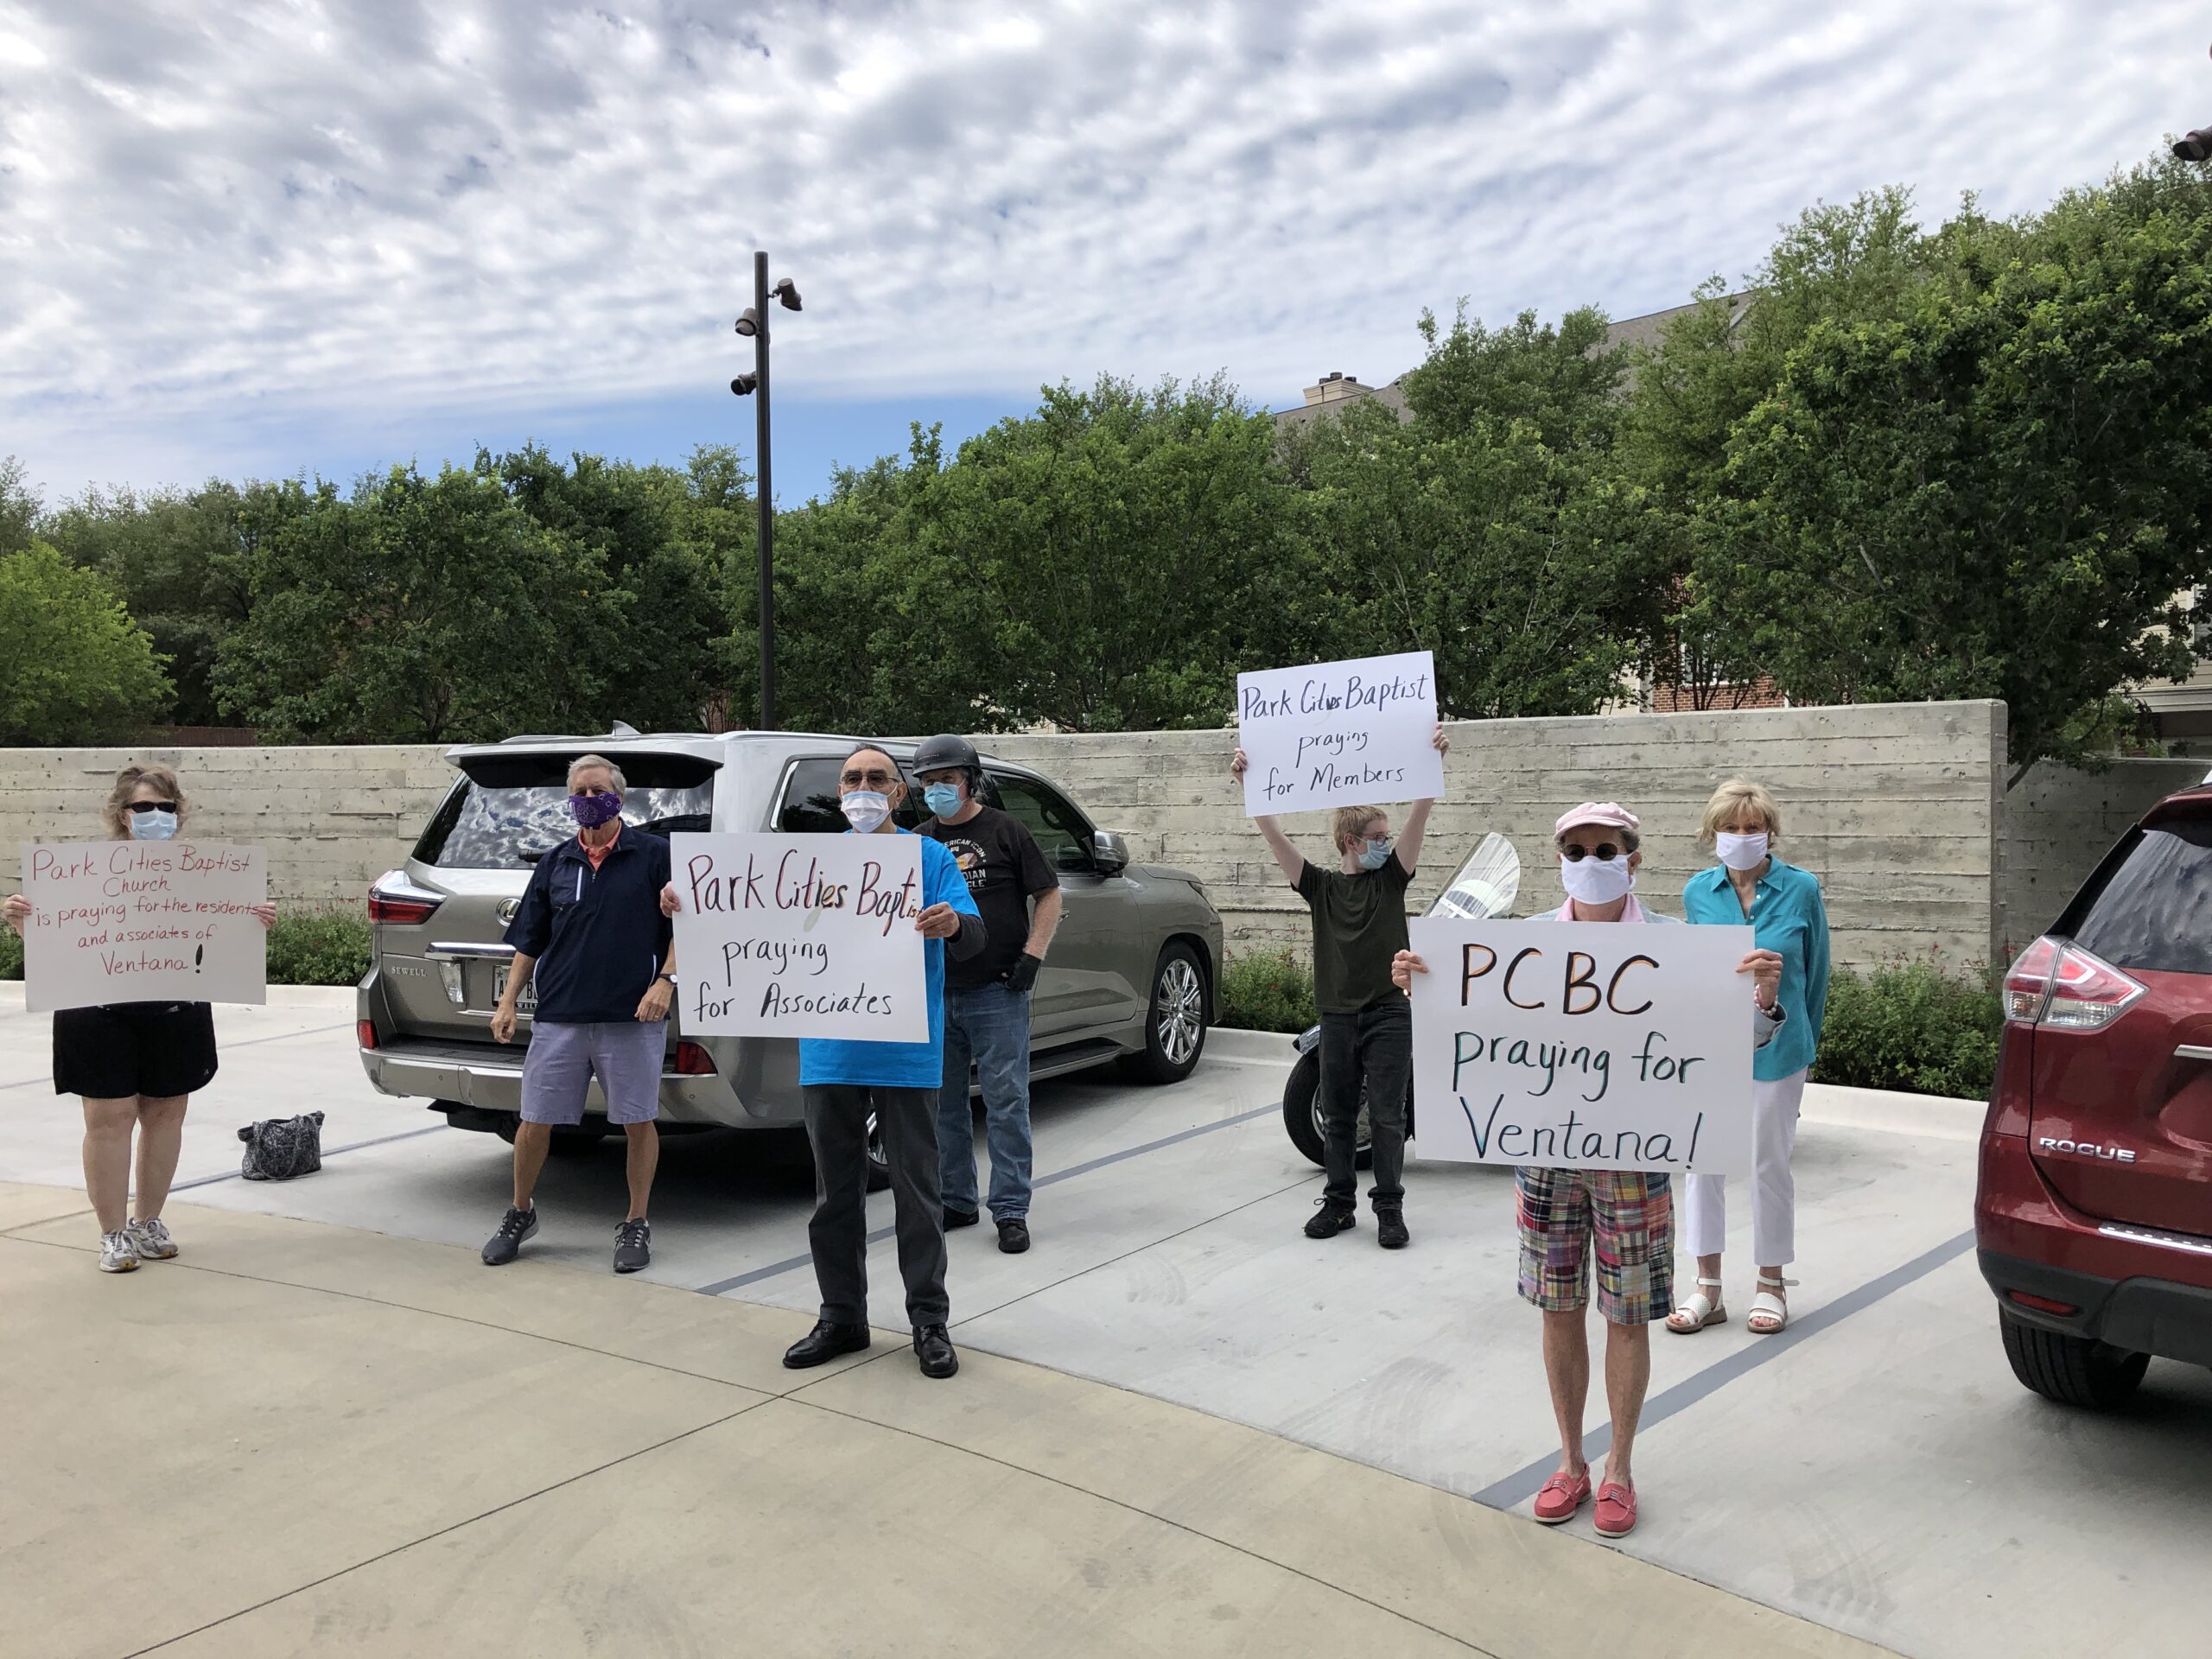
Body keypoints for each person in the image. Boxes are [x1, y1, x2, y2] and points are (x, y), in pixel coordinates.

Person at [1391, 802, 1783, 1539]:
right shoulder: (1523, 945)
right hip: (1546, 1155)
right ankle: (1571, 1460)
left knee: (1629, 1313)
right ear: (1560, 859)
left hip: (1635, 1160)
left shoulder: (1680, 946)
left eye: (1604, 847)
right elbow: (1474, 1029)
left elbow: (1739, 1044)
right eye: (1575, 848)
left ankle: (1620, 1469)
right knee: (1557, 1305)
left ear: (1632, 860)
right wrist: (1424, 988)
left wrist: (1762, 999)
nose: (1590, 858)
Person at [669, 745, 985, 1379]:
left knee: (918, 1195)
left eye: (876, 779)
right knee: (833, 1195)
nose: (862, 787)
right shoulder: (805, 862)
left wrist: (952, 924)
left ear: (900, 794)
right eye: (851, 779)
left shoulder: (928, 857)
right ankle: (842, 1317)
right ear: (840, 792)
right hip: (830, 1051)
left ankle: (929, 1321)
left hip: (905, 1053)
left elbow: (975, 939)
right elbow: (743, 912)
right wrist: (691, 903)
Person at [3, 764, 276, 1274]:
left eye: (165, 808)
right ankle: (112, 1233)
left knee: (166, 1115)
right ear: (122, 815)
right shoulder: (79, 873)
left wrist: (252, 924)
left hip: (175, 1007)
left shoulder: (207, 876)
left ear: (179, 813)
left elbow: (218, 946)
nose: (156, 816)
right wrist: (24, 922)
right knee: (108, 1120)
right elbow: (61, 949)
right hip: (97, 1009)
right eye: (144, 807)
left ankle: (147, 1221)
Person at [1230, 726, 1448, 1248]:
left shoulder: (1391, 879)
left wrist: (1431, 766)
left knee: (1391, 1114)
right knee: (1340, 1111)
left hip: (1389, 1012)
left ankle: (1390, 1208)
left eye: (1387, 837)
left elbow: (1421, 816)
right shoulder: (1320, 887)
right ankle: (1339, 1203)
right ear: (1351, 841)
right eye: (1377, 837)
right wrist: (1249, 785)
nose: (1387, 843)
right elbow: (1274, 836)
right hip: (1336, 1015)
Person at [480, 754, 677, 1275]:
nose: (589, 801)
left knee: (638, 1121)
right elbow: (530, 940)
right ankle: (521, 1212)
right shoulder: (556, 862)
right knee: (534, 1121)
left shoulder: (657, 856)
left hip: (631, 1018)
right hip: (560, 1016)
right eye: (580, 793)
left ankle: (636, 1221)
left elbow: (692, 926)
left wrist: (666, 981)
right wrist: (507, 1001)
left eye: (598, 791)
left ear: (620, 795)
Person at [1670, 779, 1832, 1338]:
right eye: (1731, 827)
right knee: (1702, 1161)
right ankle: (1707, 1287)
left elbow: (1817, 975)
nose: (1742, 836)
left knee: (1769, 1162)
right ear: (1712, 833)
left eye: (1752, 827)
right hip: (1713, 1048)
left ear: (1769, 832)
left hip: (1781, 1048)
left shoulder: (1802, 889)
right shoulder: (1697, 893)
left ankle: (1771, 1282)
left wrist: (1803, 1040)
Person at [912, 733, 1063, 1255]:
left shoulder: (1005, 831)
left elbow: (1048, 894)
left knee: (1006, 1101)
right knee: (944, 1106)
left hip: (998, 990)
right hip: (938, 992)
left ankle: (1011, 1209)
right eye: (928, 783)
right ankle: (956, 1198)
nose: (937, 790)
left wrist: (1033, 955)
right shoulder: (918, 841)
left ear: (969, 780)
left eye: (946, 780)